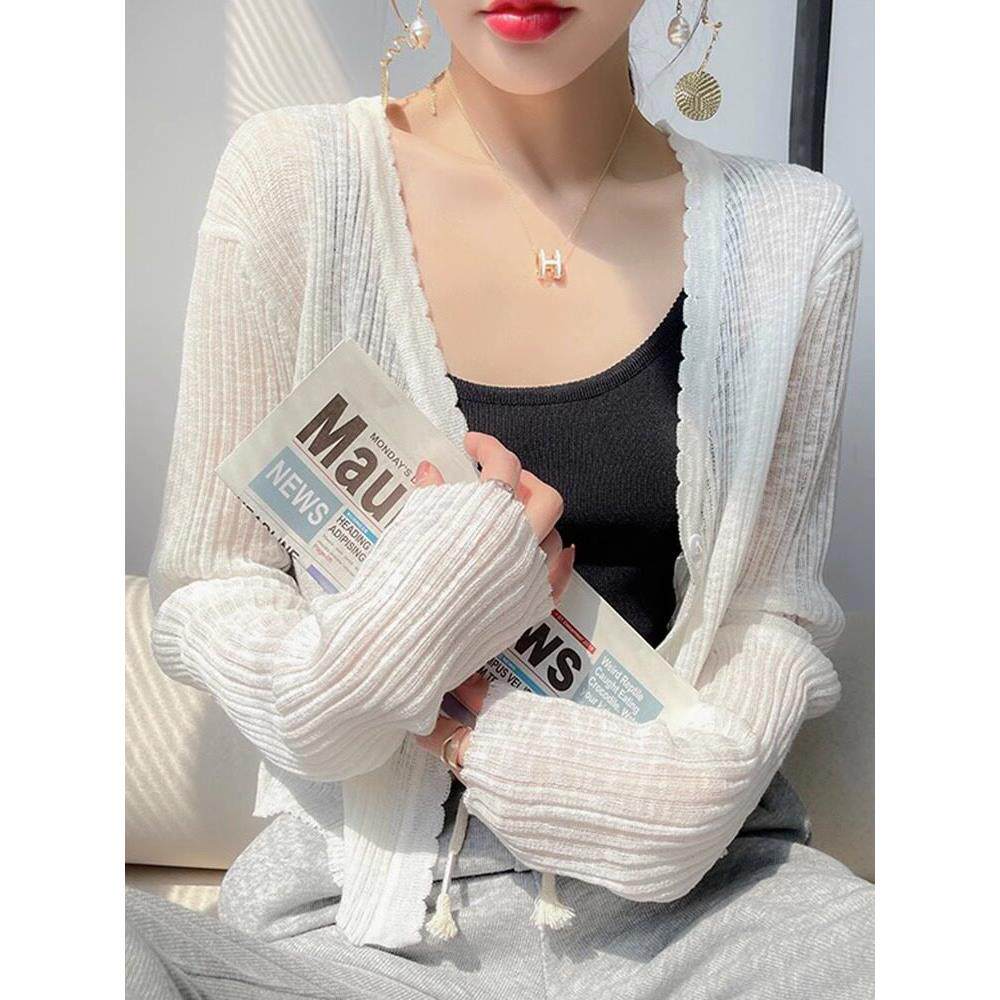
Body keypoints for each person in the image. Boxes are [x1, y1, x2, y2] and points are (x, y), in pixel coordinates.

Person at [126, 2, 874, 997]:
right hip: (361, 930)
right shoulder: (293, 180)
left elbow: (771, 613)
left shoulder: (794, 231)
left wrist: (683, 796)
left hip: (713, 913)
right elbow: (210, 584)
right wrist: (406, 630)